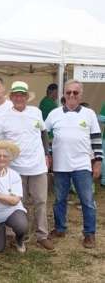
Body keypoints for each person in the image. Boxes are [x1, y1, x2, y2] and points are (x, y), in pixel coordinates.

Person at [0, 81, 54, 250]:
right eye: (16, 95)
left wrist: (47, 154)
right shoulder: (3, 117)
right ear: (11, 97)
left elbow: (44, 133)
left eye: (22, 95)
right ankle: (16, 236)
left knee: (40, 201)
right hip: (16, 168)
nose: (19, 98)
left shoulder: (36, 112)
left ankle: (42, 235)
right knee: (17, 203)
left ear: (26, 97)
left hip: (38, 166)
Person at [45, 80, 103, 248]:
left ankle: (89, 234)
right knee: (59, 200)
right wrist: (48, 153)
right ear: (64, 94)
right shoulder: (54, 114)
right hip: (60, 166)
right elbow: (43, 133)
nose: (71, 95)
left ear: (80, 94)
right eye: (68, 92)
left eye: (75, 93)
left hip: (82, 165)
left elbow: (96, 139)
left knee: (87, 200)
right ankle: (60, 228)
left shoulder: (89, 114)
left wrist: (98, 162)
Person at [0, 141, 28, 253]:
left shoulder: (14, 175)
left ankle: (19, 240)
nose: (1, 158)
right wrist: (7, 197)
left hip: (12, 211)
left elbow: (15, 201)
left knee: (21, 225)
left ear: (9, 159)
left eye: (5, 156)